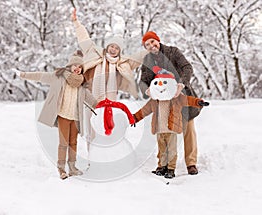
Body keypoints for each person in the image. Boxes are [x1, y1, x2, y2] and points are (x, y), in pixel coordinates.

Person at [17, 50, 98, 180]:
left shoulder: (82, 84)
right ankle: (61, 168)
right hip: (63, 115)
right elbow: (41, 76)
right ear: (70, 66)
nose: (77, 69)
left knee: (73, 143)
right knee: (63, 143)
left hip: (76, 118)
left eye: (80, 67)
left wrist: (104, 105)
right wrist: (23, 74)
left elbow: (91, 100)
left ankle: (72, 167)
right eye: (75, 66)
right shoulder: (59, 77)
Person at [71, 8, 147, 144]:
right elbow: (84, 38)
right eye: (111, 46)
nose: (113, 49)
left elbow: (138, 58)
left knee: (106, 127)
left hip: (109, 100)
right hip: (91, 97)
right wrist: (77, 23)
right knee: (89, 127)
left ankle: (106, 150)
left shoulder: (122, 63)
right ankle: (90, 152)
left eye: (116, 48)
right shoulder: (94, 52)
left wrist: (150, 49)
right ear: (107, 46)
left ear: (119, 51)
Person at [139, 31, 201, 175]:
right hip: (164, 102)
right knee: (163, 133)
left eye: (152, 42)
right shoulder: (148, 60)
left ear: (158, 40)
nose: (151, 46)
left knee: (188, 130)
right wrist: (147, 90)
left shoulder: (173, 52)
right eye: (147, 44)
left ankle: (191, 163)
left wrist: (181, 84)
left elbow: (187, 67)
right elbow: (143, 81)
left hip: (182, 97)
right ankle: (163, 164)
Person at [133, 69, 209, 178]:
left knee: (171, 150)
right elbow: (144, 110)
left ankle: (171, 169)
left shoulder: (177, 98)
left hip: (171, 129)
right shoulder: (154, 100)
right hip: (159, 129)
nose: (161, 86)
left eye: (164, 83)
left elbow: (188, 100)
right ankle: (162, 166)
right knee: (162, 149)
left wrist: (198, 102)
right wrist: (135, 118)